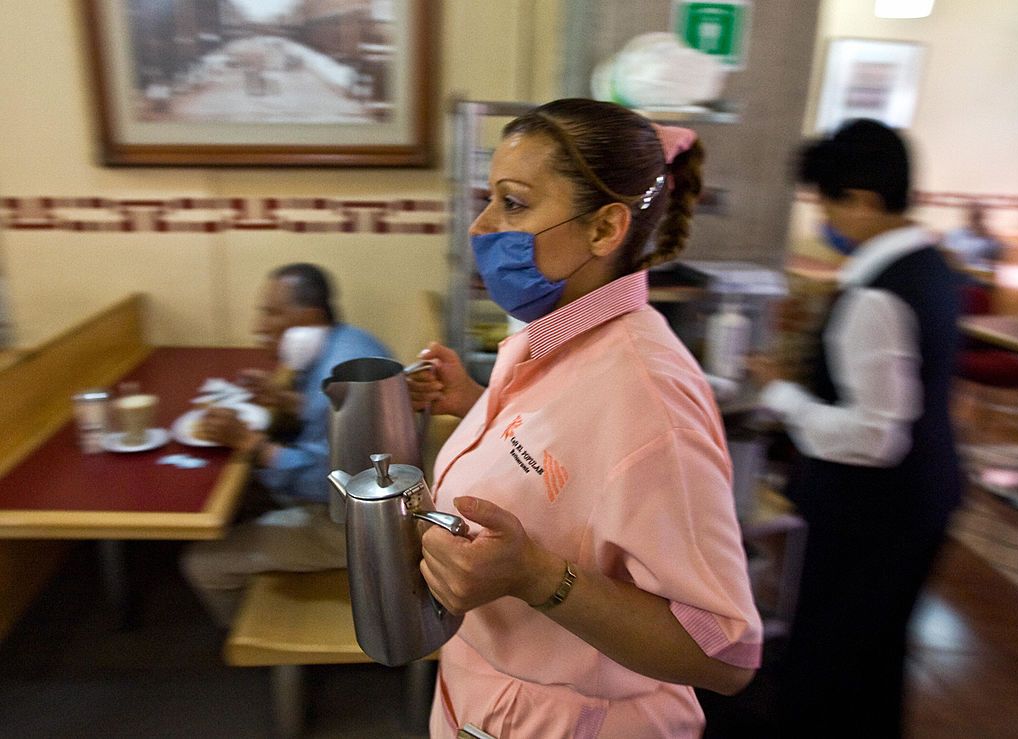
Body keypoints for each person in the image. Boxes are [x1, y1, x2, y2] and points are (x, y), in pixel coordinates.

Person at [406, 99, 761, 738]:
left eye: (513, 204)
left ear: (603, 230)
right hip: (482, 695)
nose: (481, 227)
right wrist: (473, 399)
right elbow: (571, 452)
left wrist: (538, 577)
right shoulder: (559, 339)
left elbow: (727, 652)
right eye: (486, 200)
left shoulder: (652, 399)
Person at [748, 119, 963, 737]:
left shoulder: (879, 293)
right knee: (872, 657)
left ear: (863, 201)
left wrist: (782, 393)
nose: (824, 220)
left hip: (877, 510)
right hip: (916, 499)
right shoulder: (930, 264)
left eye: (827, 203)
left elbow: (875, 435)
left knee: (835, 660)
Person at [181, 263, 390, 627]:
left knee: (202, 564)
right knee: (241, 496)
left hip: (355, 527)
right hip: (368, 501)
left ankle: (260, 638)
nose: (260, 327)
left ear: (309, 317)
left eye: (272, 313)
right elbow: (330, 423)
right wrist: (284, 399)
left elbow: (332, 484)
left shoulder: (342, 375)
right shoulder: (346, 342)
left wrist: (247, 441)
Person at [943, 200, 1004, 270]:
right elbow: (947, 257)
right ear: (968, 216)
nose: (977, 220)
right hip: (959, 273)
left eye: (979, 217)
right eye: (975, 217)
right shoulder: (955, 234)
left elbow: (998, 260)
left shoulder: (990, 240)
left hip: (981, 274)